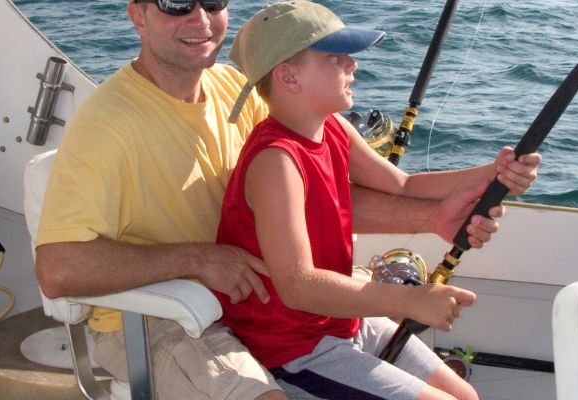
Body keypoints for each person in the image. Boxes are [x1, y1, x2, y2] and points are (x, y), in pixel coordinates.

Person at [34, 0, 541, 399]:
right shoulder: (106, 124)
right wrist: (199, 259)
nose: (199, 18)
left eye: (212, 1)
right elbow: (57, 270)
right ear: (137, 14)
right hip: (156, 319)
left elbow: (317, 193)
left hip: (266, 304)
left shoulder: (238, 88)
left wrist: (442, 212)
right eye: (174, 2)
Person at [215, 2, 535, 399]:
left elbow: (402, 185)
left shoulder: (332, 129)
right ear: (288, 77)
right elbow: (297, 285)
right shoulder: (275, 161)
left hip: (340, 321)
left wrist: (496, 171)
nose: (352, 64)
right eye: (336, 57)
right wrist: (412, 300)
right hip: (293, 348)